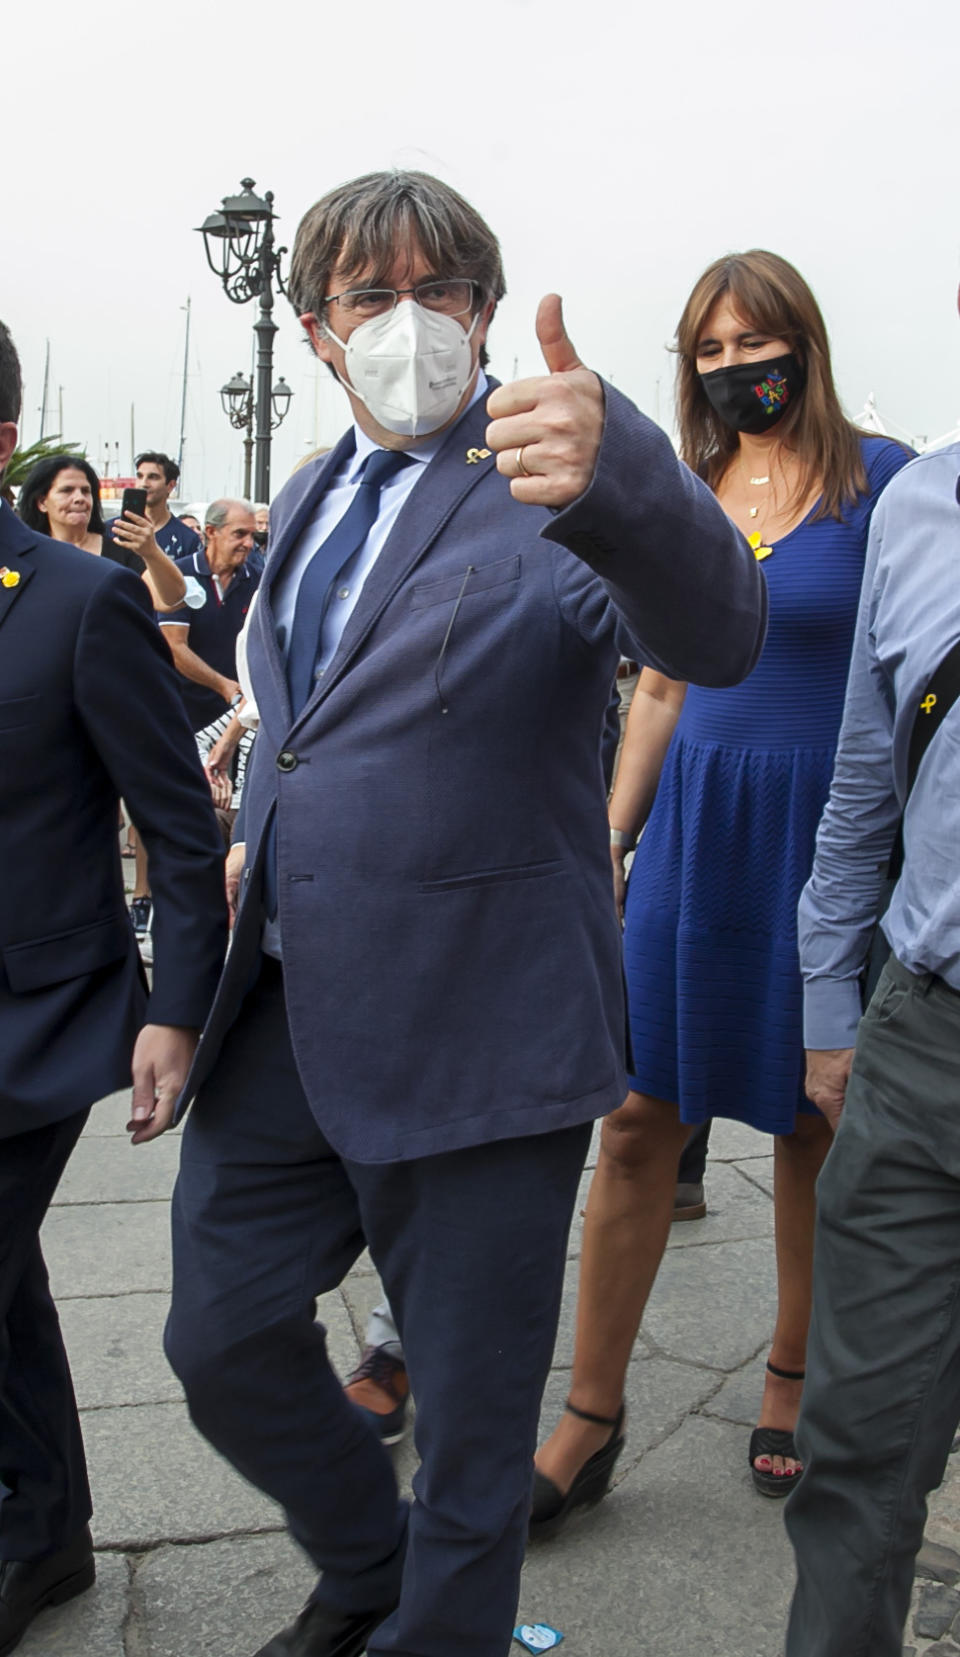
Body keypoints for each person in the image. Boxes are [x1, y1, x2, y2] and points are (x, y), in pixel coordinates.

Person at [161, 169, 765, 1657]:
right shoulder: (303, 496)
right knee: (218, 1337)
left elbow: (717, 633)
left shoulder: (552, 489)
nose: (410, 322)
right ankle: (368, 1565)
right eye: (372, 296)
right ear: (315, 329)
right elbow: (298, 730)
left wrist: (626, 464)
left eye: (442, 290)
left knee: (476, 1441)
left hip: (485, 1036)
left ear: (487, 308)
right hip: (286, 1017)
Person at [531, 249, 912, 1534]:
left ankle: (793, 1374)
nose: (735, 364)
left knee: (812, 1121)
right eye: (707, 347)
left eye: (755, 339)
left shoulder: (885, 482)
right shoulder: (683, 491)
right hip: (695, 833)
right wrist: (609, 836)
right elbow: (660, 683)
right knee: (636, 1121)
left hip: (826, 831)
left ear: (802, 339)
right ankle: (589, 1412)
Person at [0, 320, 227, 1656]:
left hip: (36, 1011)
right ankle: (48, 1528)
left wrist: (175, 1008)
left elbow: (180, 830)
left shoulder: (80, 603)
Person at [780, 292, 960, 1656]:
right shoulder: (920, 506)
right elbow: (860, 785)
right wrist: (832, 1008)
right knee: (854, 1450)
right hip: (922, 1041)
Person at [17, 453, 186, 609]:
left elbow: (169, 601)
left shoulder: (121, 550)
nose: (79, 499)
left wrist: (151, 551)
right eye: (66, 490)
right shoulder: (26, 555)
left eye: (85, 491)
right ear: (42, 502)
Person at [157, 498, 259, 735]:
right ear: (211, 531)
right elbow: (175, 646)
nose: (249, 543)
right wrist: (224, 686)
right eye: (240, 534)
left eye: (253, 535)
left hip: (235, 717)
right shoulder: (179, 575)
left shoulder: (257, 581)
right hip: (181, 711)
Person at [131, 452, 202, 560]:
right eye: (140, 476)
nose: (144, 483)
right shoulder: (114, 530)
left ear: (170, 485)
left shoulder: (188, 539)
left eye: (153, 477)